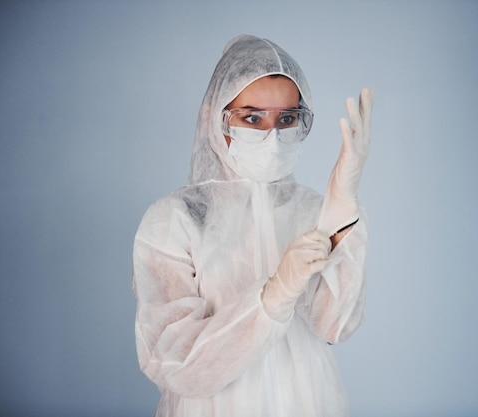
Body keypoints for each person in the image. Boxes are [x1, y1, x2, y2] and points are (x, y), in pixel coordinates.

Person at [132, 34, 373, 417]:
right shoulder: (175, 220)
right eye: (252, 117)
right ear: (215, 116)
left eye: (287, 119)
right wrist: (274, 297)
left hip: (308, 402)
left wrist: (342, 213)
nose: (272, 136)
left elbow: (335, 327)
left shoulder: (314, 211)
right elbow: (174, 362)